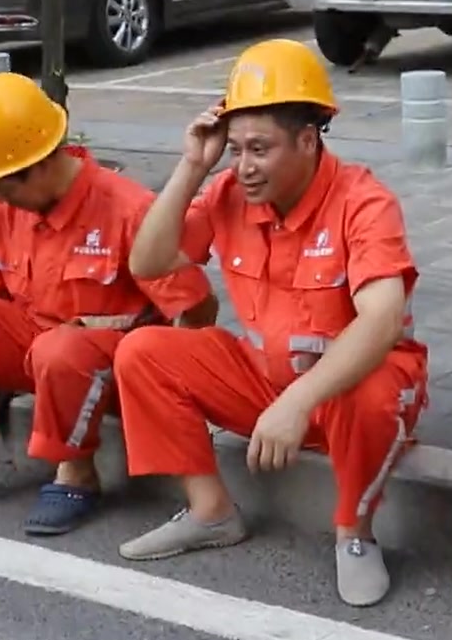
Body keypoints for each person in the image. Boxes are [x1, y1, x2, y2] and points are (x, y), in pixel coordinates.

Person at [115, 38, 426, 608]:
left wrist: (298, 401)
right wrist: (192, 166)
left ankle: (354, 535)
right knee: (143, 352)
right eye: (235, 148)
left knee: (373, 390)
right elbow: (148, 262)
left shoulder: (364, 201)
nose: (244, 166)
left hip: (344, 395)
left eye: (260, 148)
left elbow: (381, 323)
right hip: (267, 383)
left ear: (308, 141)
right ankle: (211, 512)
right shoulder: (229, 190)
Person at [0, 73, 218, 527]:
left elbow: (196, 307)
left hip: (106, 364)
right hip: (40, 351)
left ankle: (76, 473)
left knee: (59, 348)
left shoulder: (127, 210)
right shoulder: (2, 211)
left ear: (41, 164)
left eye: (4, 184)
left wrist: (165, 392)